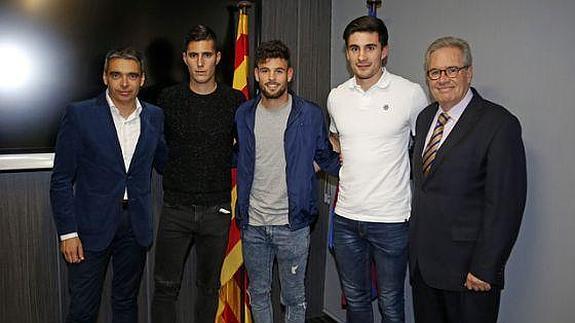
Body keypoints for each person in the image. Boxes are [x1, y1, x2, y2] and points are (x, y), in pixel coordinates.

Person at [409, 36, 527, 323]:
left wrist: (486, 267)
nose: (443, 79)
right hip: (424, 269)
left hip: (468, 273)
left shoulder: (499, 125)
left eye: (452, 70)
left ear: (469, 72)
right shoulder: (425, 119)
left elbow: (505, 205)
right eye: (435, 72)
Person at [50, 47, 168, 323]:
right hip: (89, 228)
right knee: (82, 309)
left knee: (126, 304)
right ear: (105, 77)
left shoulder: (154, 116)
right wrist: (68, 233)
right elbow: (61, 179)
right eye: (116, 75)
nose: (124, 83)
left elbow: (164, 162)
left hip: (135, 226)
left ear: (142, 79)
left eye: (132, 76)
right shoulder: (79, 115)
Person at [327, 16, 428, 323]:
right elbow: (335, 139)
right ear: (346, 53)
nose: (361, 56)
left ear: (384, 50)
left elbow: (423, 148)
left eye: (369, 47)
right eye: (354, 48)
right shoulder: (336, 96)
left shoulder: (410, 93)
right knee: (356, 300)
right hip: (346, 219)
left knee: (391, 304)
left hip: (391, 220)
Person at [235, 40, 340, 323]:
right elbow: (240, 159)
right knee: (258, 293)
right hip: (253, 223)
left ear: (289, 74)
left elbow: (325, 156)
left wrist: (349, 151)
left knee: (294, 299)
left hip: (293, 225)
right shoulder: (243, 114)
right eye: (265, 71)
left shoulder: (309, 114)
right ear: (256, 74)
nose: (272, 78)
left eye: (278, 71)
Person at [151, 24, 245, 323]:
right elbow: (156, 148)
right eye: (194, 55)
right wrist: (176, 171)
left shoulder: (234, 100)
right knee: (165, 288)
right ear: (185, 58)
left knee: (208, 288)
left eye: (207, 55)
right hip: (175, 208)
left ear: (217, 57)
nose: (200, 62)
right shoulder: (167, 99)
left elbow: (243, 149)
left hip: (216, 210)